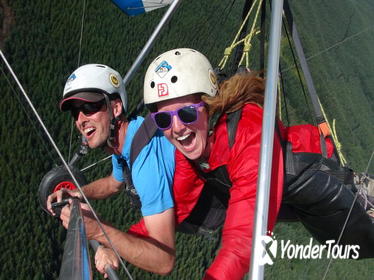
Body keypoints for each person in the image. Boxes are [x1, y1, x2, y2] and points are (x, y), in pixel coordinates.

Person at [142, 48, 374, 280]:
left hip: (341, 195)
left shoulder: (247, 133)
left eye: (187, 114)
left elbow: (243, 240)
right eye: (163, 119)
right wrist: (120, 240)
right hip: (308, 210)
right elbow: (178, 206)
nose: (177, 128)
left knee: (354, 243)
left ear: (209, 106)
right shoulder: (191, 146)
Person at [46, 64, 177, 276]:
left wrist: (98, 231)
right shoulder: (127, 140)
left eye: (89, 108)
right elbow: (114, 183)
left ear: (116, 108)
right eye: (75, 113)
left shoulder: (144, 161)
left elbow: (164, 261)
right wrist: (79, 193)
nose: (80, 120)